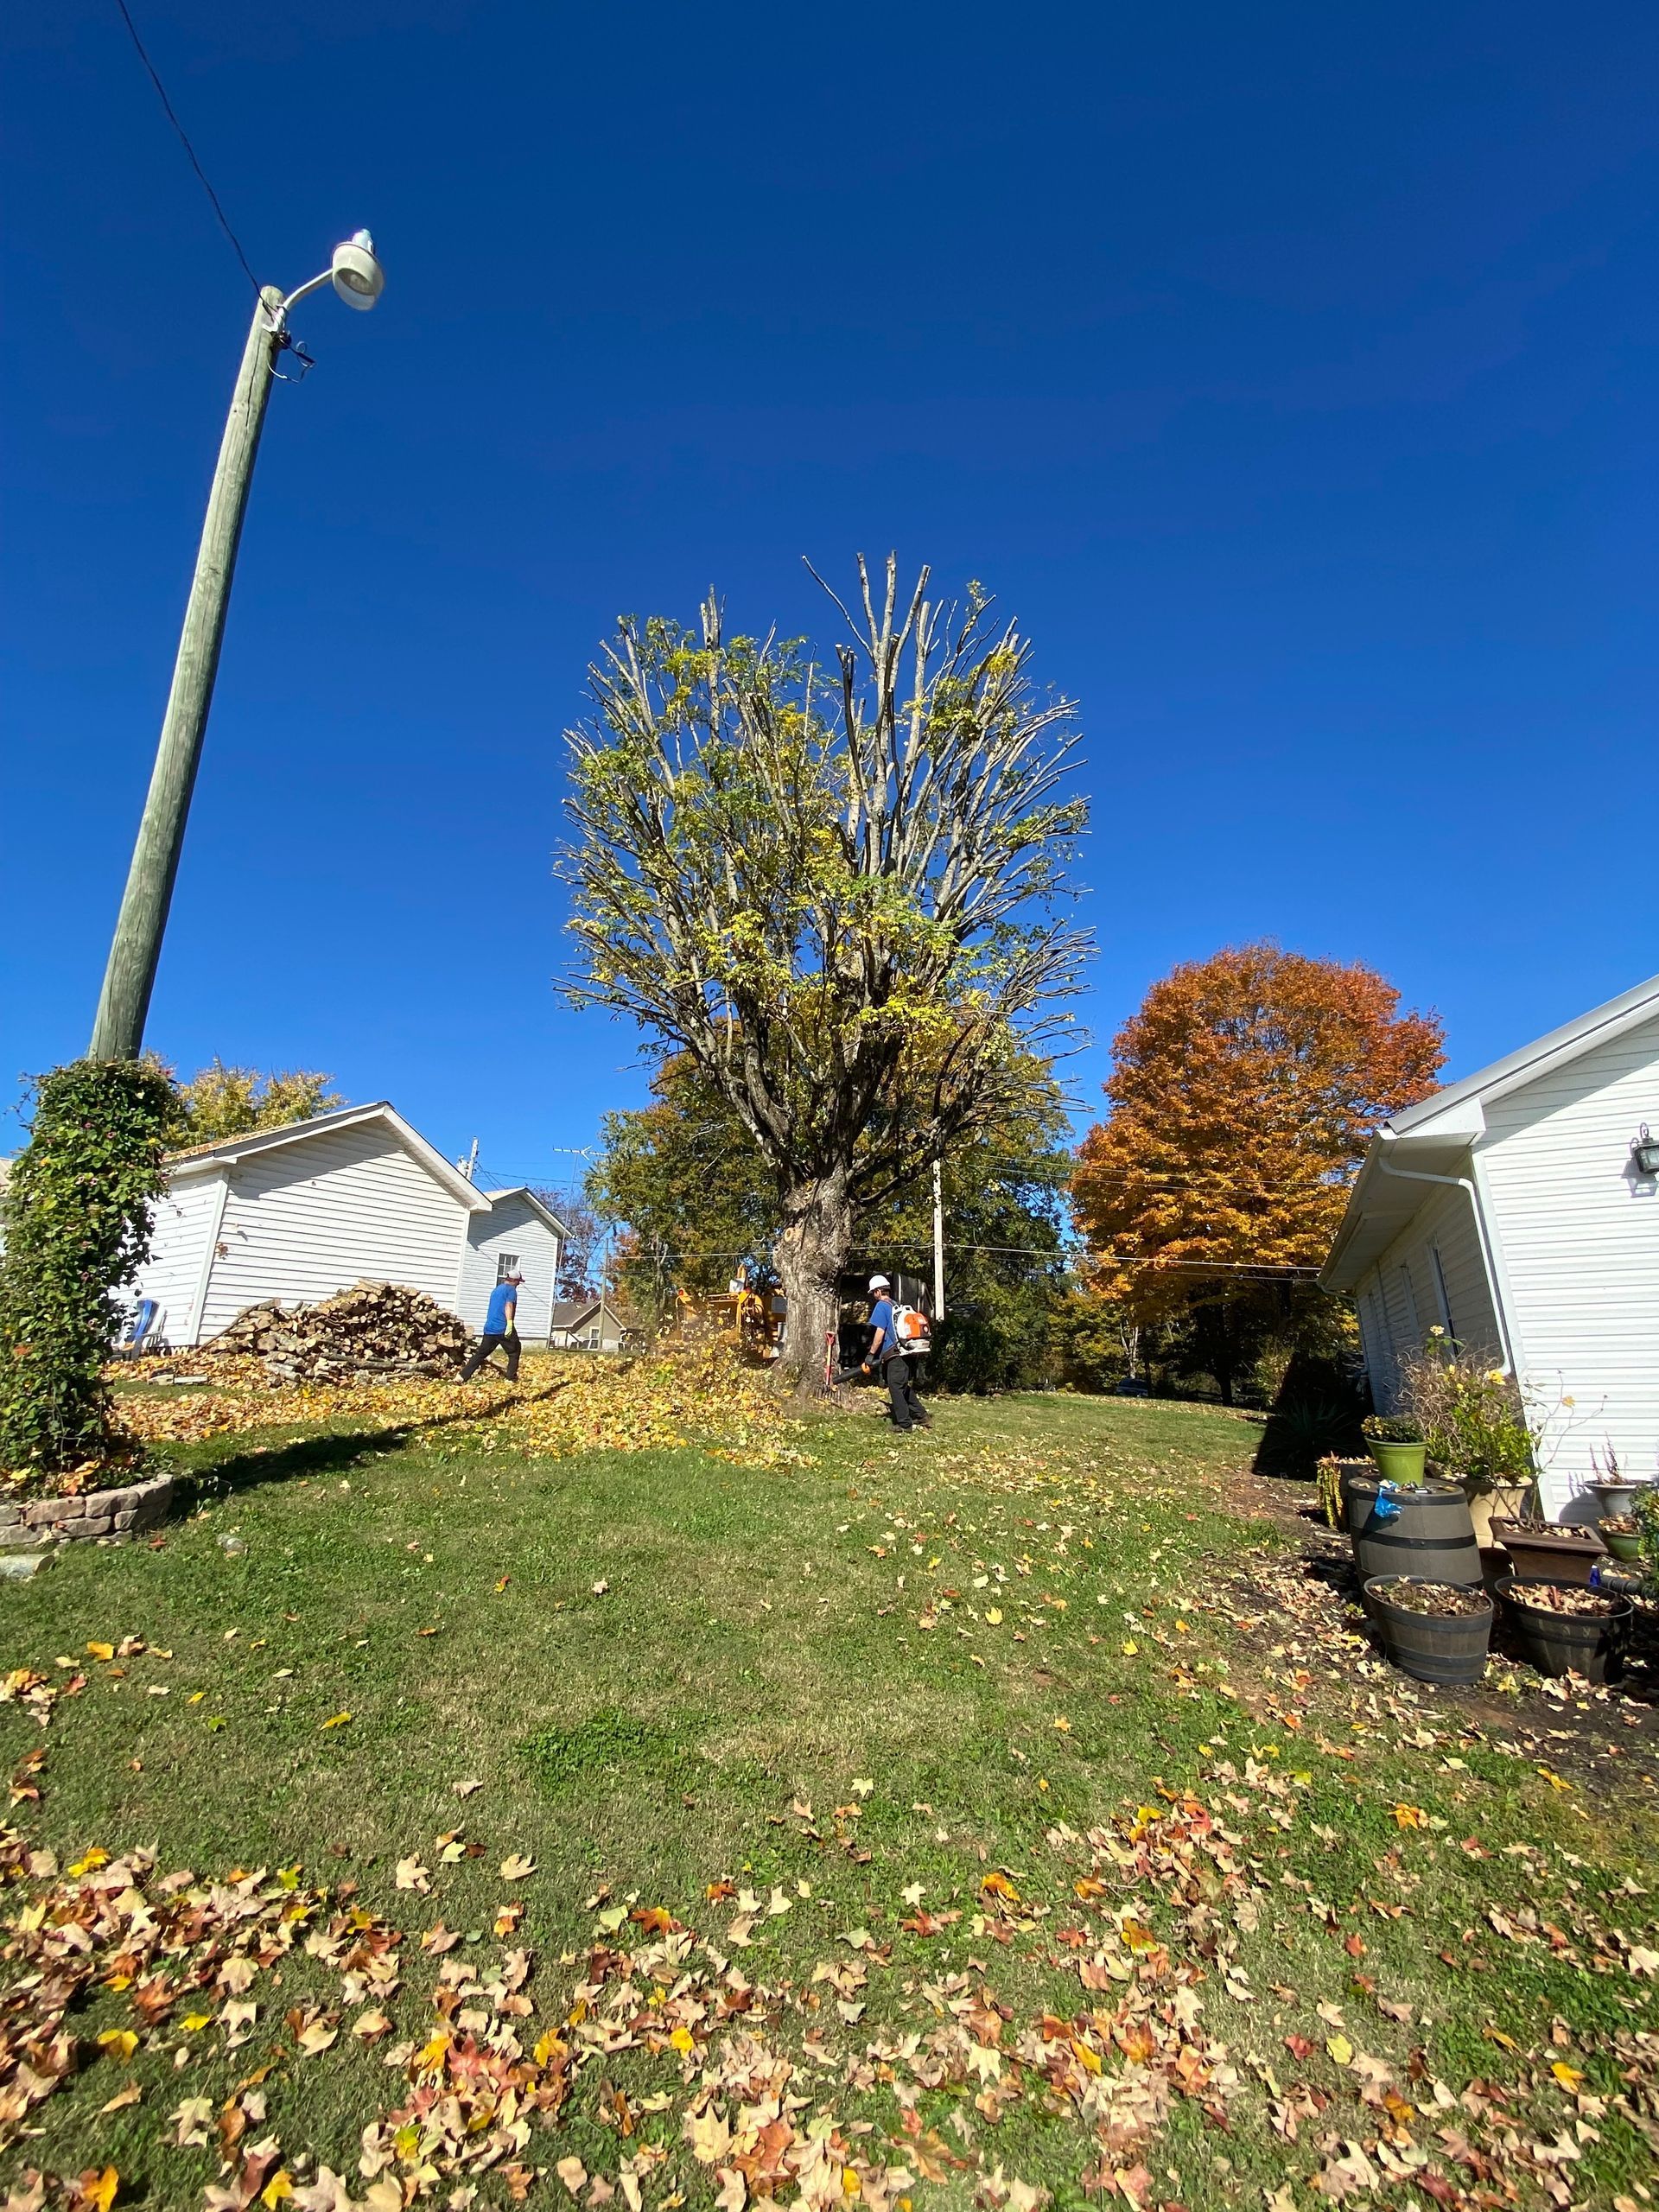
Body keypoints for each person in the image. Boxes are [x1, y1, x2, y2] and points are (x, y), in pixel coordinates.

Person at [861, 1273, 930, 1433]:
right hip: (907, 1352)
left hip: (894, 1354)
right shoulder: (895, 1305)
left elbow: (880, 1333)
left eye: (873, 1293)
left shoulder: (881, 1306)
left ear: (878, 1291)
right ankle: (921, 1415)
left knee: (895, 1387)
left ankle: (904, 1425)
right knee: (902, 1386)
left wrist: (871, 1354)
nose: (873, 1296)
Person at [462, 1269, 524, 1382]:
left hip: (490, 1328)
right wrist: (509, 1323)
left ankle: (462, 1376)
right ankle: (510, 1378)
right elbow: (508, 1306)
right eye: (518, 1282)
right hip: (502, 1327)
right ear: (514, 1281)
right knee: (515, 1351)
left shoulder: (496, 1290)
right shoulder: (511, 1290)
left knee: (481, 1354)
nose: (519, 1284)